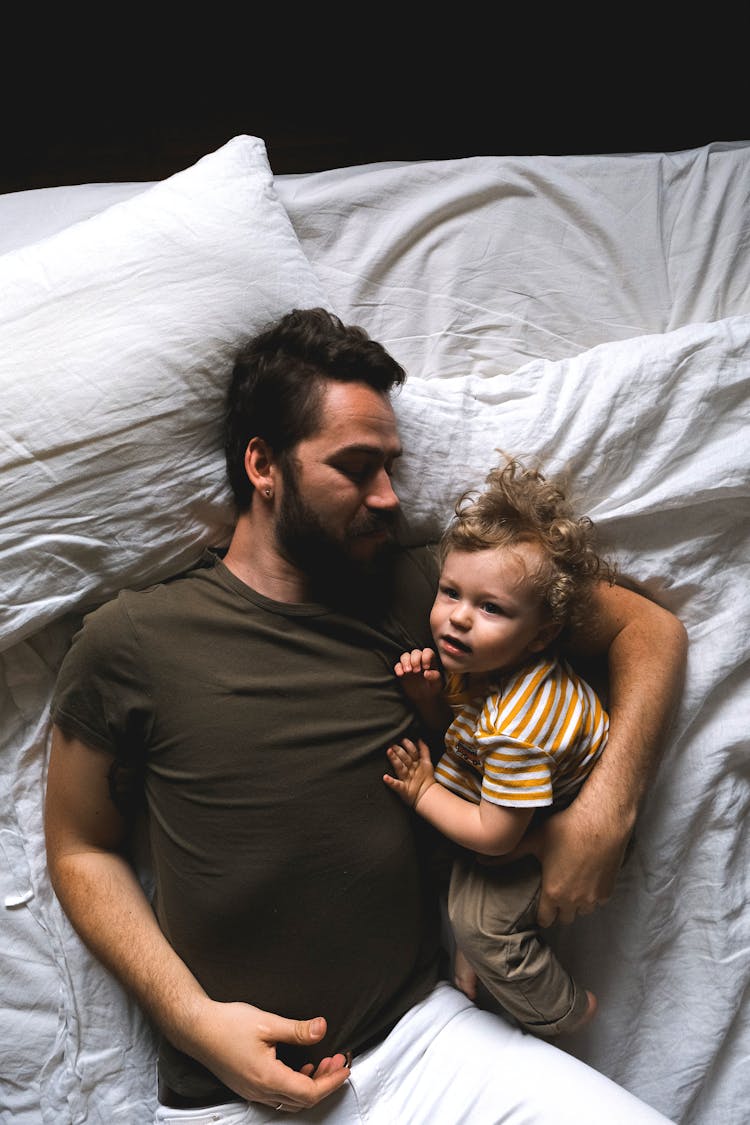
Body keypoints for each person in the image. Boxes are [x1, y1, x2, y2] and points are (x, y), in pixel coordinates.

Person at [44, 307, 686, 1123]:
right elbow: (79, 846)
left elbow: (648, 629)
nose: (388, 497)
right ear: (262, 465)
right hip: (231, 1094)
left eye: (392, 466)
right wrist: (191, 1019)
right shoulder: (133, 638)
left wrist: (605, 811)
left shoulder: (432, 592)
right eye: (356, 467)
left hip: (427, 1042)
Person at [384, 456, 616, 1039]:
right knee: (437, 867)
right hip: (506, 797)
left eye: (490, 609)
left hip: (540, 826)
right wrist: (429, 698)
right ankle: (473, 953)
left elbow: (495, 835)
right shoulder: (490, 664)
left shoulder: (519, 726)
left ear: (540, 635)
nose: (457, 620)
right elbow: (464, 737)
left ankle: (562, 1008)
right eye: (450, 593)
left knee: (480, 920)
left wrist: (423, 791)